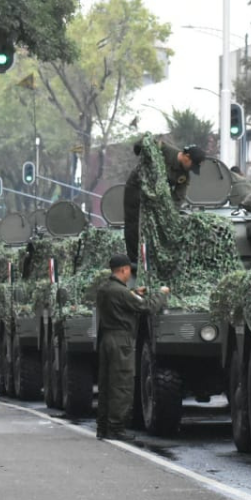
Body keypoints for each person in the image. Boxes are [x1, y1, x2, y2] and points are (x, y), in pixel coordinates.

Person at [95, 254, 168, 441]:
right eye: (129, 270)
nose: (130, 274)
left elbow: (123, 300)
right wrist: (162, 293)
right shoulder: (120, 292)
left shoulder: (105, 289)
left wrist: (134, 293)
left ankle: (103, 427)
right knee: (121, 386)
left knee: (106, 384)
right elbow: (148, 307)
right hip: (121, 341)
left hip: (106, 339)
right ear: (123, 270)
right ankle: (116, 429)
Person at [123, 142, 206, 263]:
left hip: (157, 196)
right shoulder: (163, 149)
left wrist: (169, 214)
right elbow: (144, 143)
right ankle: (135, 259)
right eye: (192, 165)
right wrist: (139, 149)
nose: (191, 169)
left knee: (155, 225)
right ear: (186, 156)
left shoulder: (184, 175)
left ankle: (155, 257)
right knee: (133, 222)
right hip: (137, 187)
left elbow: (178, 198)